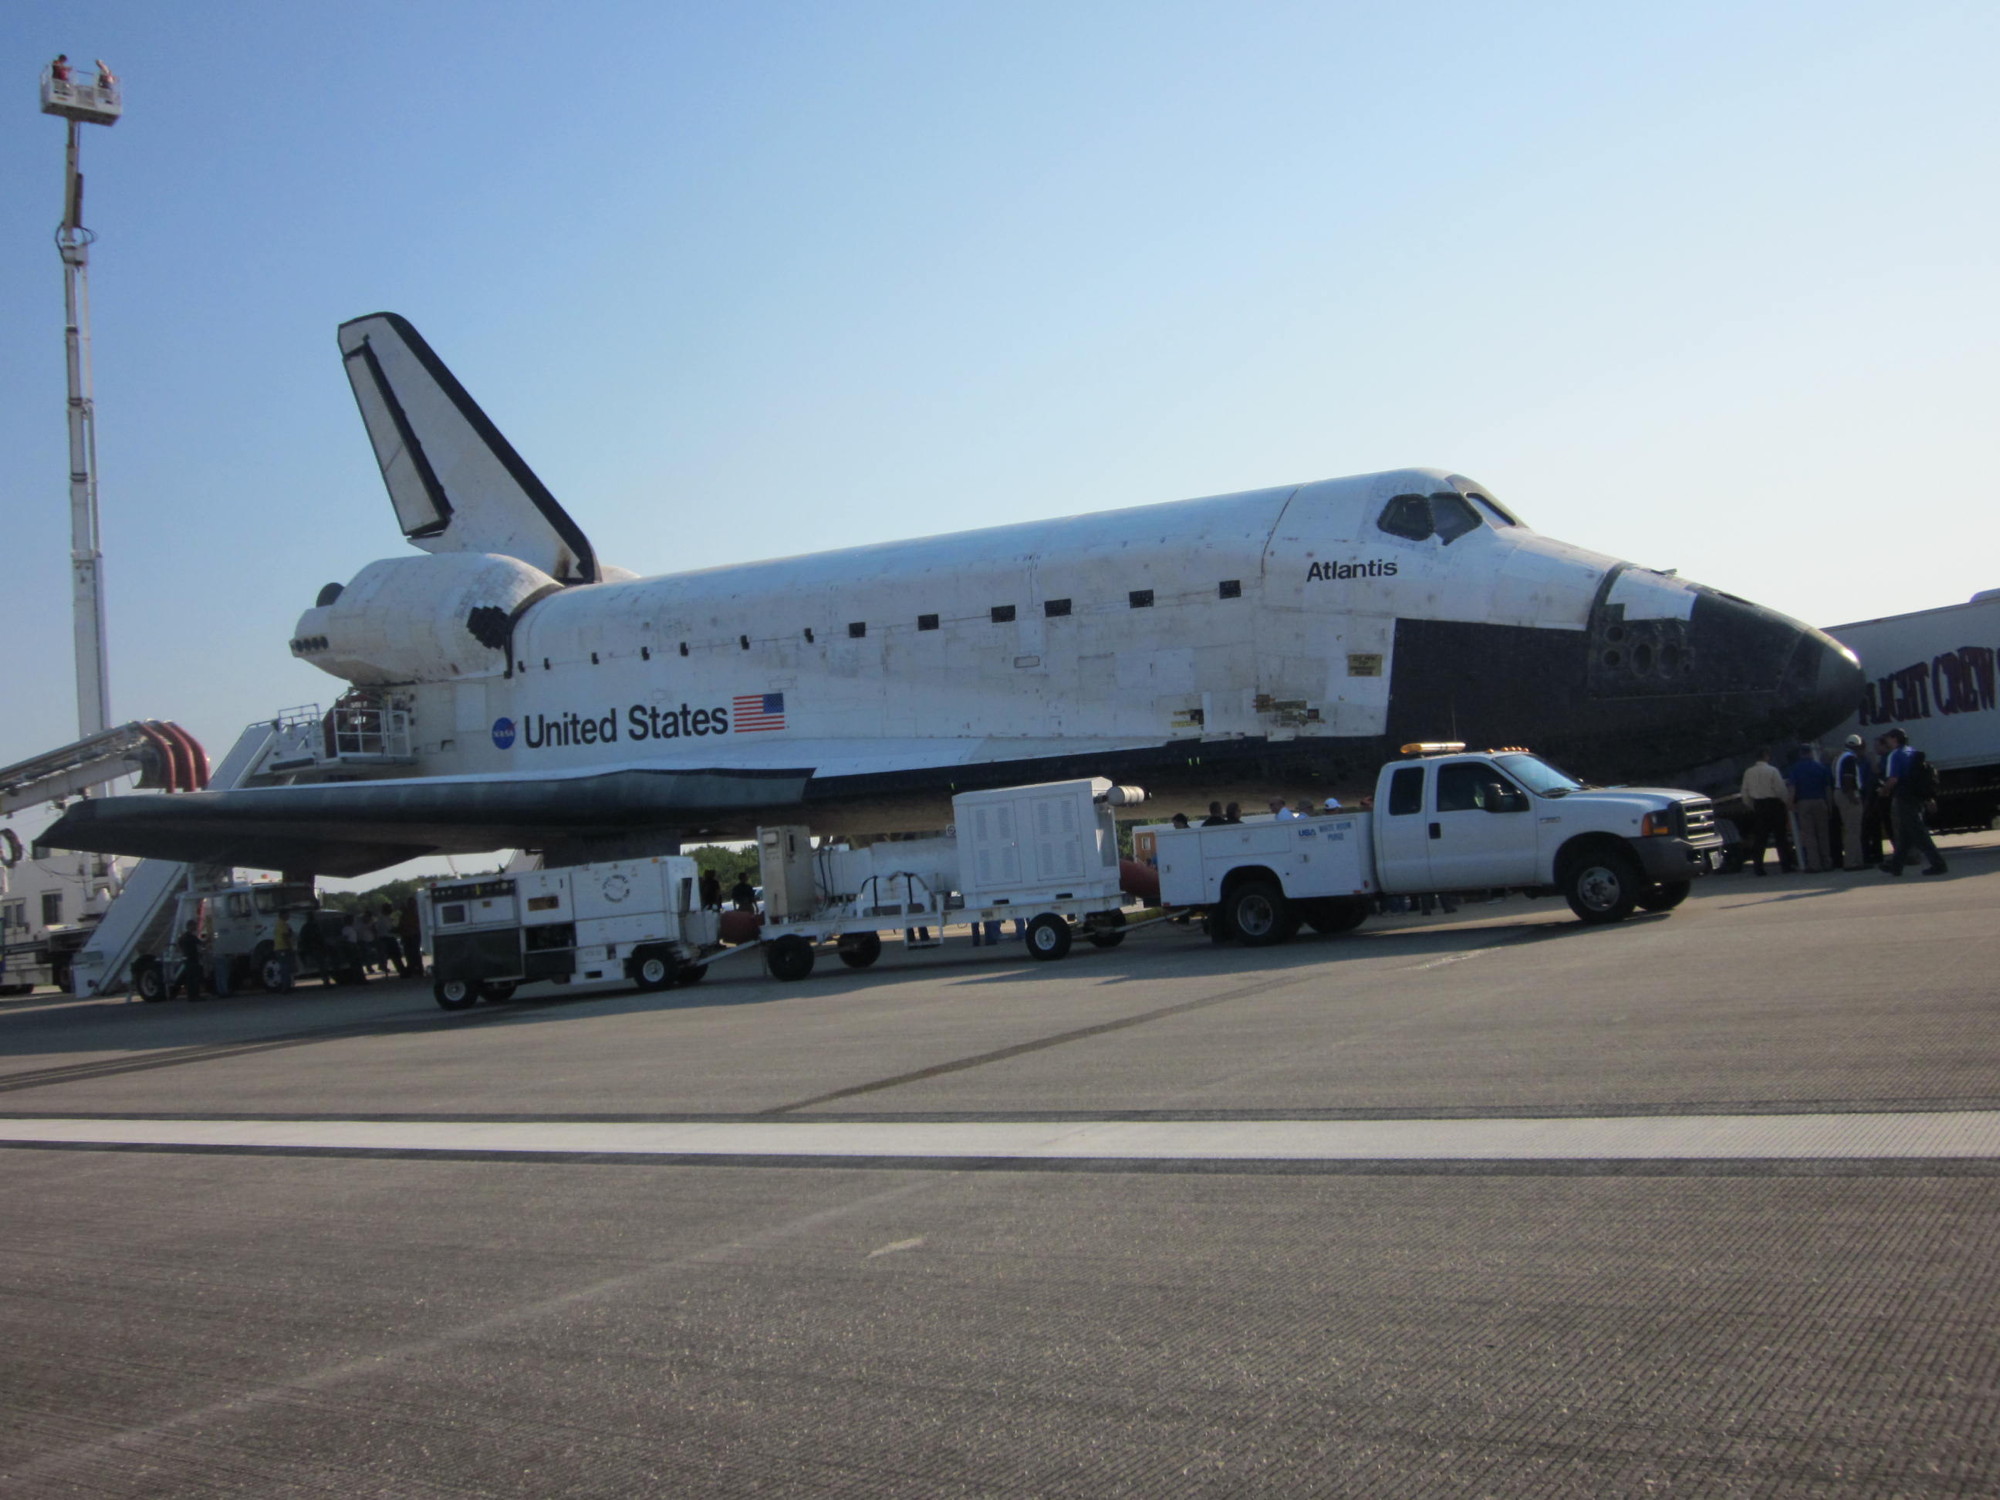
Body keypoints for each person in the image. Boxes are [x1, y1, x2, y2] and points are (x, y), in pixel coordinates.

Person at [1878, 728, 1947, 876]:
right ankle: (1896, 866)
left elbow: (1893, 779)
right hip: (1915, 797)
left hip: (1904, 798)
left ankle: (1938, 864)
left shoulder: (1895, 755)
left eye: (1888, 738)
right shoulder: (1911, 751)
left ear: (1895, 739)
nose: (1886, 741)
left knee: (1919, 833)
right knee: (1905, 835)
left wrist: (1883, 791)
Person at [1739, 748, 1794, 876]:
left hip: (1759, 805)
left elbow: (1745, 792)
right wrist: (1787, 802)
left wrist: (1752, 805)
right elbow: (1780, 789)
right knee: (1780, 837)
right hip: (1773, 804)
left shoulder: (1749, 772)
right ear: (1766, 757)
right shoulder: (1772, 770)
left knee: (1760, 838)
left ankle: (1758, 867)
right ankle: (1785, 865)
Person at [1786, 746, 1834, 873]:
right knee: (1823, 834)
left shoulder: (1795, 768)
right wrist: (1829, 806)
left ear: (1801, 753)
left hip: (1804, 803)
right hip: (1820, 801)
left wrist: (1790, 803)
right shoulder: (1821, 767)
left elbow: (1792, 788)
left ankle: (1814, 864)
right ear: (1811, 753)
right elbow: (1827, 789)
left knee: (1809, 835)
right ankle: (1827, 862)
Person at [1832, 734, 1874, 871]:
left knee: (1851, 830)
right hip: (1847, 794)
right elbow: (1847, 779)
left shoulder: (1839, 757)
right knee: (1853, 830)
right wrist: (1853, 796)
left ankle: (1856, 860)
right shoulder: (1850, 758)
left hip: (1839, 793)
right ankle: (1852, 862)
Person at [174, 921, 204, 1001]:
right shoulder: (191, 937)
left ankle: (191, 996)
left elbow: (179, 945)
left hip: (187, 959)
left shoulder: (183, 937)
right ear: (190, 926)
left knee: (190, 979)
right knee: (195, 978)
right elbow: (201, 943)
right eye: (194, 926)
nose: (195, 927)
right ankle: (195, 996)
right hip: (193, 959)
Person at [271, 911, 296, 991]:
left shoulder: (280, 924)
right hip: (282, 948)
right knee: (285, 968)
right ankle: (285, 987)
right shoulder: (282, 924)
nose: (288, 916)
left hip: (279, 948)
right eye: (287, 914)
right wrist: (290, 947)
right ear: (282, 915)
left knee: (285, 967)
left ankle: (287, 986)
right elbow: (285, 936)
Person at [398, 901, 424, 979]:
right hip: (409, 936)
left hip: (412, 936)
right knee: (412, 954)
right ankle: (416, 969)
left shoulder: (412, 915)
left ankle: (417, 969)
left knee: (413, 954)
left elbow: (408, 926)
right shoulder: (409, 915)